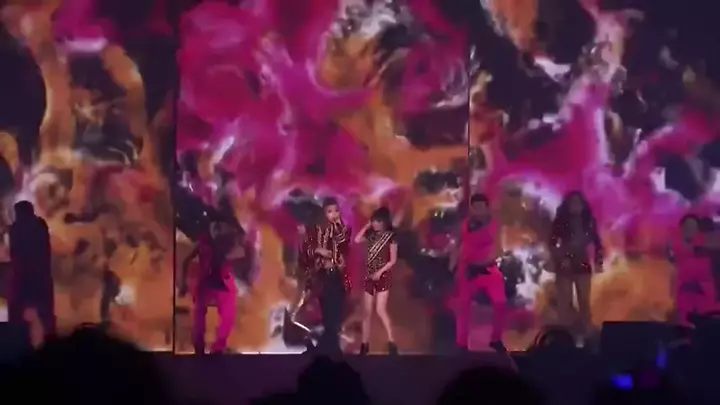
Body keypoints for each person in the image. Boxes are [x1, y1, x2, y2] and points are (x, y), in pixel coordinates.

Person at [180, 218, 245, 354]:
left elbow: (241, 253)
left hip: (224, 281)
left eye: (221, 226)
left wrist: (229, 252)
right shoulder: (204, 241)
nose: (218, 229)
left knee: (228, 317)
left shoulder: (231, 240)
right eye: (216, 226)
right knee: (199, 312)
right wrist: (183, 284)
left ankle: (217, 348)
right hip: (205, 280)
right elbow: (186, 261)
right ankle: (199, 347)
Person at [452, 193, 508, 353]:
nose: (477, 210)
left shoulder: (495, 225)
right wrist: (453, 266)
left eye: (480, 207)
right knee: (463, 305)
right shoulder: (464, 225)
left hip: (488, 269)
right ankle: (462, 343)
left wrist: (486, 262)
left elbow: (499, 248)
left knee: (500, 302)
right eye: (474, 207)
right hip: (468, 269)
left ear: (487, 208)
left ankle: (496, 339)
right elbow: (457, 245)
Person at [549, 191, 603, 344]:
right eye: (572, 202)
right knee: (565, 302)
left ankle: (586, 335)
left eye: (579, 202)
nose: (576, 206)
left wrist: (598, 261)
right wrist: (560, 257)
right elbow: (552, 242)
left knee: (584, 301)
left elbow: (597, 243)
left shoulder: (589, 221)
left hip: (582, 262)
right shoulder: (560, 222)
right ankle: (565, 336)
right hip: (564, 264)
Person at [8, 200, 55, 348]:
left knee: (22, 316)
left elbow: (14, 253)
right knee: (43, 314)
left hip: (23, 277)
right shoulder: (41, 224)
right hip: (42, 276)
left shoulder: (16, 228)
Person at [307, 197, 351, 354]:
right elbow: (308, 249)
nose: (334, 214)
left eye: (336, 211)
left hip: (336, 275)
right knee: (327, 314)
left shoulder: (341, 229)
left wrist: (338, 225)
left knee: (335, 315)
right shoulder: (317, 229)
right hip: (322, 276)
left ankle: (330, 350)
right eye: (330, 211)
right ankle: (326, 350)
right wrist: (319, 250)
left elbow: (343, 245)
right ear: (323, 213)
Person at [354, 207, 398, 355]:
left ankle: (391, 341)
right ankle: (364, 344)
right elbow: (357, 239)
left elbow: (392, 260)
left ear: (385, 222)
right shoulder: (370, 234)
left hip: (383, 276)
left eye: (378, 221)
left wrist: (380, 272)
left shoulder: (391, 237)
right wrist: (367, 225)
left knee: (380, 310)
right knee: (366, 312)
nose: (376, 224)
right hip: (369, 275)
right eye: (374, 221)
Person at [669, 214, 719, 326]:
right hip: (685, 309)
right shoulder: (675, 253)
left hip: (706, 308)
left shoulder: (707, 251)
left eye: (693, 227)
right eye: (687, 227)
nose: (690, 230)